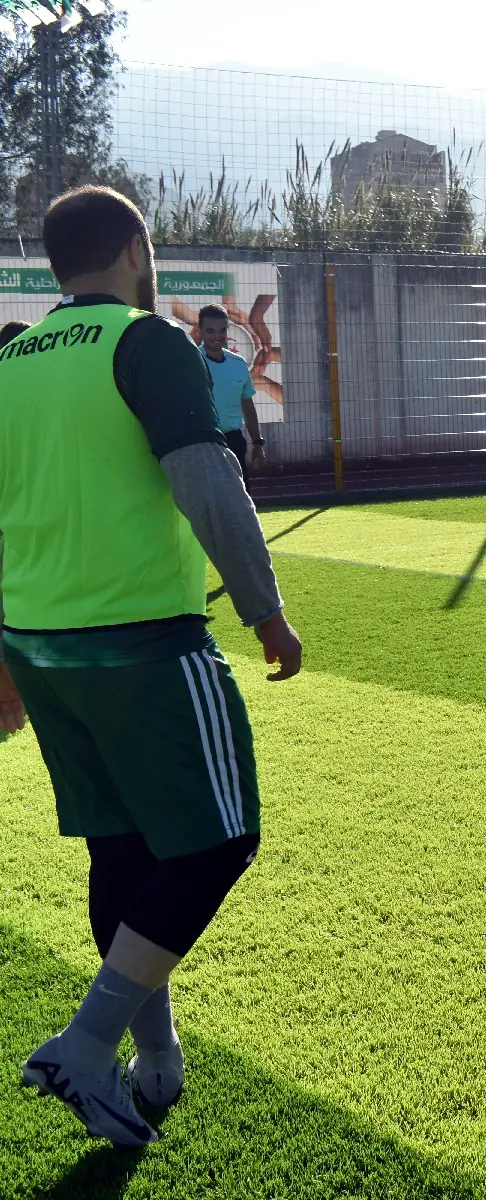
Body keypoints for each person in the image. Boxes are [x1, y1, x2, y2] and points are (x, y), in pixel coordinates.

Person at [2, 186, 301, 1146]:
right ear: (137, 248)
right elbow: (207, 477)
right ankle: (89, 1044)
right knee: (219, 842)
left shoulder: (10, 361)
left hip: (39, 647)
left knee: (121, 850)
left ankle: (154, 1057)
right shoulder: (147, 342)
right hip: (141, 641)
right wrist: (265, 610)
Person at [194, 303, 266, 473]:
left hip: (233, 442)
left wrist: (258, 443)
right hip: (201, 443)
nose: (217, 336)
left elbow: (247, 405)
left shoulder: (238, 364)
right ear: (200, 330)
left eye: (222, 331)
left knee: (240, 490)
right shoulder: (190, 362)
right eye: (210, 331)